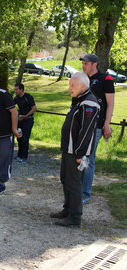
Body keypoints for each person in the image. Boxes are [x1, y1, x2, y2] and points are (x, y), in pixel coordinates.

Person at [50, 72, 100, 227]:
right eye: (69, 84)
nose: (69, 88)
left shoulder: (89, 104)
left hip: (76, 152)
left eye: (72, 85)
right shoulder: (79, 100)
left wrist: (80, 153)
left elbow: (86, 131)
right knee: (65, 179)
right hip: (68, 149)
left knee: (74, 182)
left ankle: (75, 217)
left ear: (83, 86)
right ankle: (68, 209)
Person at [79, 54, 115, 204]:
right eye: (83, 64)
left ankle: (85, 193)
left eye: (86, 63)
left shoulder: (105, 79)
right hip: (81, 125)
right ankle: (78, 189)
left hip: (96, 126)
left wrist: (107, 124)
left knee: (89, 158)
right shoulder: (83, 79)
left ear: (94, 64)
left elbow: (110, 103)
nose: (84, 66)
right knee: (80, 156)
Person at [14, 83, 37, 163]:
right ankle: (19, 155)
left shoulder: (28, 97)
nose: (15, 91)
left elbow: (34, 108)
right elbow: (12, 107)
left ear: (21, 89)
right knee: (19, 137)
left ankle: (24, 157)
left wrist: (26, 115)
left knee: (25, 139)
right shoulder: (16, 98)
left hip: (28, 120)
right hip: (20, 121)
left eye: (17, 89)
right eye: (15, 89)